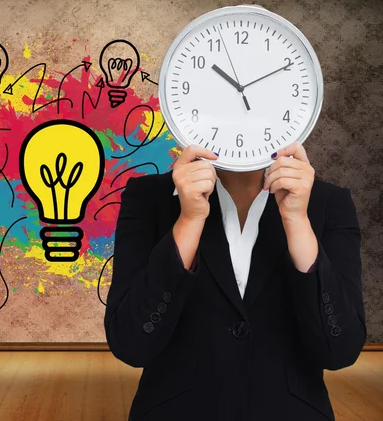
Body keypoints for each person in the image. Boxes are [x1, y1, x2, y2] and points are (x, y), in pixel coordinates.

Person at [104, 142, 366, 421]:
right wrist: (189, 221)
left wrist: (296, 220)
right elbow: (130, 344)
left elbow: (340, 351)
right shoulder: (147, 196)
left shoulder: (329, 202)